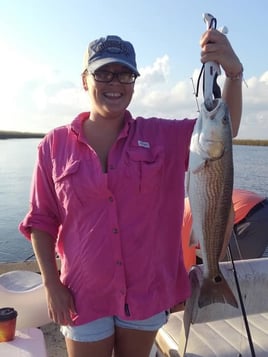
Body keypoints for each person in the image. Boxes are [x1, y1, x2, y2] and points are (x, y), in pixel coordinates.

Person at [19, 31, 243, 357]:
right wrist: (52, 285)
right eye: (103, 73)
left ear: (135, 83)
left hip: (147, 292)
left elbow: (225, 131)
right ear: (85, 80)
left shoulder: (163, 136)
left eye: (125, 74)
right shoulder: (53, 146)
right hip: (82, 293)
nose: (115, 82)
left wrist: (233, 73)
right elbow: (41, 221)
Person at [182, 189, 268, 271]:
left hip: (250, 220)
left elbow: (187, 269)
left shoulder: (180, 227)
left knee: (225, 271)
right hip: (261, 205)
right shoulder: (184, 205)